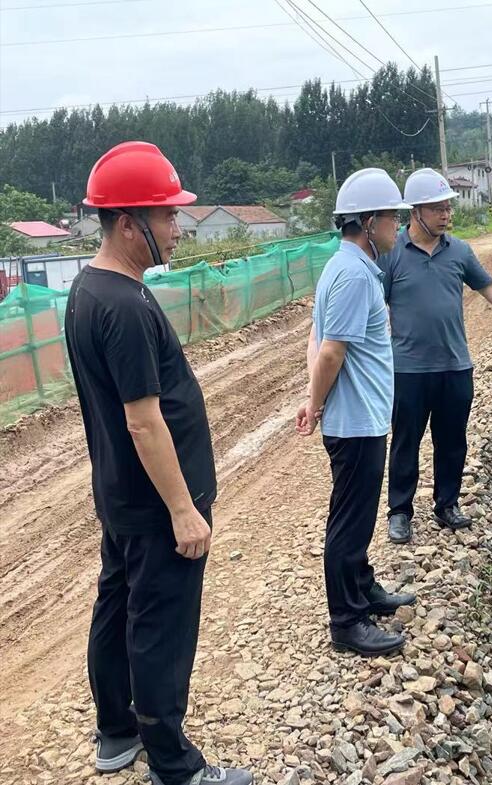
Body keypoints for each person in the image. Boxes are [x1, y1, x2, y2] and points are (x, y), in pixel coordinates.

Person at [65, 142, 252, 785]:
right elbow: (143, 421)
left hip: (123, 496)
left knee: (117, 607)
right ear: (127, 223)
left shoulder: (91, 289)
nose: (178, 226)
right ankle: (173, 763)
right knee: (161, 627)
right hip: (155, 505)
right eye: (167, 215)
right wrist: (183, 509)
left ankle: (117, 733)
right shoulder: (120, 304)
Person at [380, 168, 492, 545]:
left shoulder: (459, 251)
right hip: (408, 370)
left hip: (455, 366)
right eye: (438, 209)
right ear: (416, 211)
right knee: (406, 442)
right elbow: (374, 306)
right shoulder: (392, 253)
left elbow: (489, 286)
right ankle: (400, 512)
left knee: (452, 441)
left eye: (448, 208)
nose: (446, 215)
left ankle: (447, 504)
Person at [295, 168, 415, 657]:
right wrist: (314, 402)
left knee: (359, 514)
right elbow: (329, 351)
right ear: (368, 222)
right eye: (392, 218)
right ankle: (346, 621)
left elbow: (317, 336)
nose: (397, 227)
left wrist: (315, 397)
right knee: (349, 521)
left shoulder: (348, 268)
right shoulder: (352, 275)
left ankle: (363, 587)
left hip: (361, 417)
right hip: (356, 421)